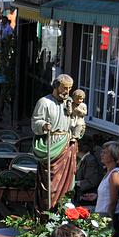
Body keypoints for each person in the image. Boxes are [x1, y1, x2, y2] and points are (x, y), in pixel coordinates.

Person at [32, 74, 78, 213]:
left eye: (69, 89)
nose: (67, 92)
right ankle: (47, 214)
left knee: (67, 185)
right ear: (56, 86)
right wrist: (44, 125)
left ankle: (63, 212)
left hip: (67, 146)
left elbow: (76, 121)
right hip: (51, 146)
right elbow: (35, 122)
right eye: (64, 88)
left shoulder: (69, 102)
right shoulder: (44, 102)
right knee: (50, 185)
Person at [74, 138, 103, 206]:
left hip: (87, 197)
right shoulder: (83, 159)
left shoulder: (90, 160)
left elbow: (92, 181)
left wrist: (74, 183)